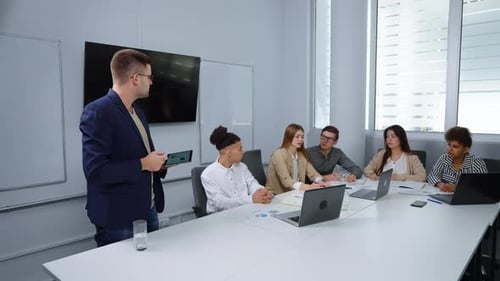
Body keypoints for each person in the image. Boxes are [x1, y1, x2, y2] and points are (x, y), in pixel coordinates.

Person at [80, 49, 168, 247]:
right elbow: (96, 172)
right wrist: (144, 163)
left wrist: (156, 164)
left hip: (148, 208)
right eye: (149, 76)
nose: (151, 82)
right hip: (119, 217)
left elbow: (139, 157)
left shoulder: (138, 112)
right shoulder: (98, 111)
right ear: (135, 78)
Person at [201, 126, 273, 213]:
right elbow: (220, 203)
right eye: (240, 149)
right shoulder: (208, 174)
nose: (243, 152)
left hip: (245, 212)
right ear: (229, 153)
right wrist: (251, 199)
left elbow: (253, 185)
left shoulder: (242, 167)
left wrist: (263, 192)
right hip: (221, 219)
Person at [266, 123, 326, 194]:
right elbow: (286, 180)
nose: (300, 140)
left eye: (302, 137)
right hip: (278, 195)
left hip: (295, 193)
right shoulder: (279, 154)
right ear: (289, 137)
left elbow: (313, 173)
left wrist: (321, 181)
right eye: (297, 137)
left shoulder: (301, 155)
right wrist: (308, 187)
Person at [427, 126, 487, 192]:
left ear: (466, 149)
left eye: (455, 146)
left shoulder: (476, 163)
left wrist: (457, 188)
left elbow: (483, 187)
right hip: (445, 196)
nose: (450, 149)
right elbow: (432, 176)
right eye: (449, 145)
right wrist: (439, 184)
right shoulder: (444, 158)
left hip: (466, 200)